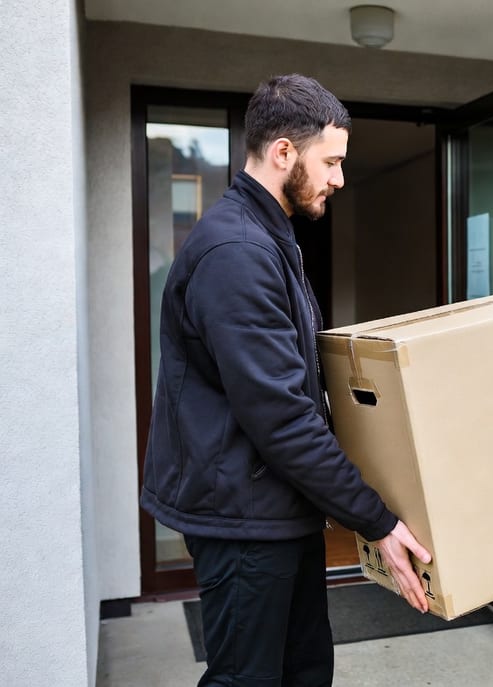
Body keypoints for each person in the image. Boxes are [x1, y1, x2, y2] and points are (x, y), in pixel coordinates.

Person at [141, 74, 431, 687]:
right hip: (242, 519)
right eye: (331, 162)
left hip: (277, 508)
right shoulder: (237, 252)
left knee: (305, 669)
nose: (339, 179)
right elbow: (282, 417)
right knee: (247, 678)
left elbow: (298, 389)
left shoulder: (271, 239)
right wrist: (375, 520)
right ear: (282, 153)